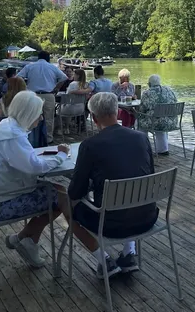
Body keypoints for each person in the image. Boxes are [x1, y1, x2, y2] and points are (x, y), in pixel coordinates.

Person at [60, 92, 158, 278]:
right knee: (129, 194)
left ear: (94, 118)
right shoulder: (141, 137)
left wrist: (89, 184)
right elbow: (148, 175)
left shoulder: (90, 145)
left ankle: (104, 260)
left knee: (66, 204)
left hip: (110, 225)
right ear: (118, 111)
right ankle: (128, 253)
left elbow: (75, 192)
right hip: (147, 216)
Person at [0, 91, 69, 267]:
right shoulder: (13, 136)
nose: (42, 118)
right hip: (0, 205)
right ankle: (27, 242)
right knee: (61, 198)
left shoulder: (7, 126)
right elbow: (34, 166)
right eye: (39, 113)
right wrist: (60, 155)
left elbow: (27, 162)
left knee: (54, 190)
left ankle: (22, 239)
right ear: (29, 113)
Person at [17, 51, 67, 143]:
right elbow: (64, 77)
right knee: (49, 118)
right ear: (48, 58)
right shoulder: (52, 67)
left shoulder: (30, 66)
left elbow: (18, 77)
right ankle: (48, 139)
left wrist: (25, 87)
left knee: (32, 116)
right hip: (49, 94)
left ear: (38, 57)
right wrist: (57, 88)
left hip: (33, 95)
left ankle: (31, 137)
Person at [137, 74, 178, 156]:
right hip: (172, 122)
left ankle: (143, 148)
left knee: (139, 122)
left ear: (149, 84)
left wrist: (135, 113)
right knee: (160, 118)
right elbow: (175, 102)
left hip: (156, 123)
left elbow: (142, 109)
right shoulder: (169, 91)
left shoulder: (147, 93)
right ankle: (163, 149)